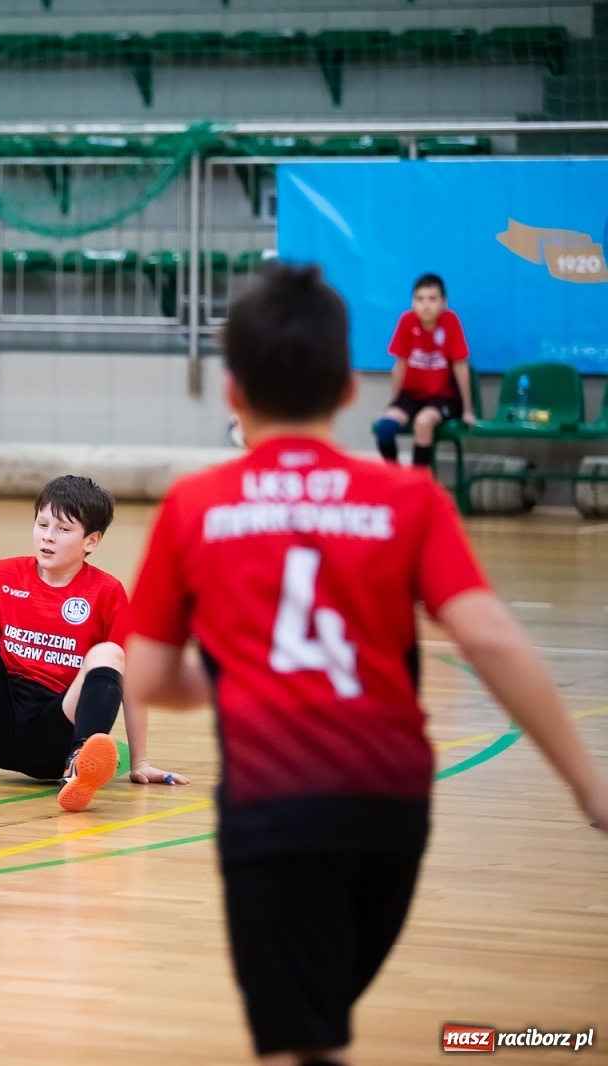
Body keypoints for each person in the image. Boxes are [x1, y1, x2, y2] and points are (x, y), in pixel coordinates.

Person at [125, 264, 608, 1066]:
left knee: (301, 1042)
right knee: (322, 1022)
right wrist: (590, 787)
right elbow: (491, 640)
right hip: (391, 811)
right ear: (350, 389)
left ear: (232, 392)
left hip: (273, 814)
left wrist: (247, 672)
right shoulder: (409, 501)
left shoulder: (196, 506)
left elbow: (146, 679)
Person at [0, 475, 188, 812]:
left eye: (63, 529)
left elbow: (133, 684)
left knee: (111, 653)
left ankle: (79, 764)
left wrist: (140, 762)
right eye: (42, 524)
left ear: (91, 541)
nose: (48, 536)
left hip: (56, 733)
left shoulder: (107, 592)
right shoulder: (5, 574)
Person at [372, 273, 475, 469]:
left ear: (444, 302)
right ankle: (397, 477)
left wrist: (468, 411)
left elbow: (460, 366)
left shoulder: (451, 321)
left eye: (432, 299)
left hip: (442, 398)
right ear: (413, 302)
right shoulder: (406, 320)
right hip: (410, 397)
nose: (425, 305)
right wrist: (392, 403)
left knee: (423, 422)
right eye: (419, 299)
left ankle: (417, 481)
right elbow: (400, 366)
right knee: (385, 428)